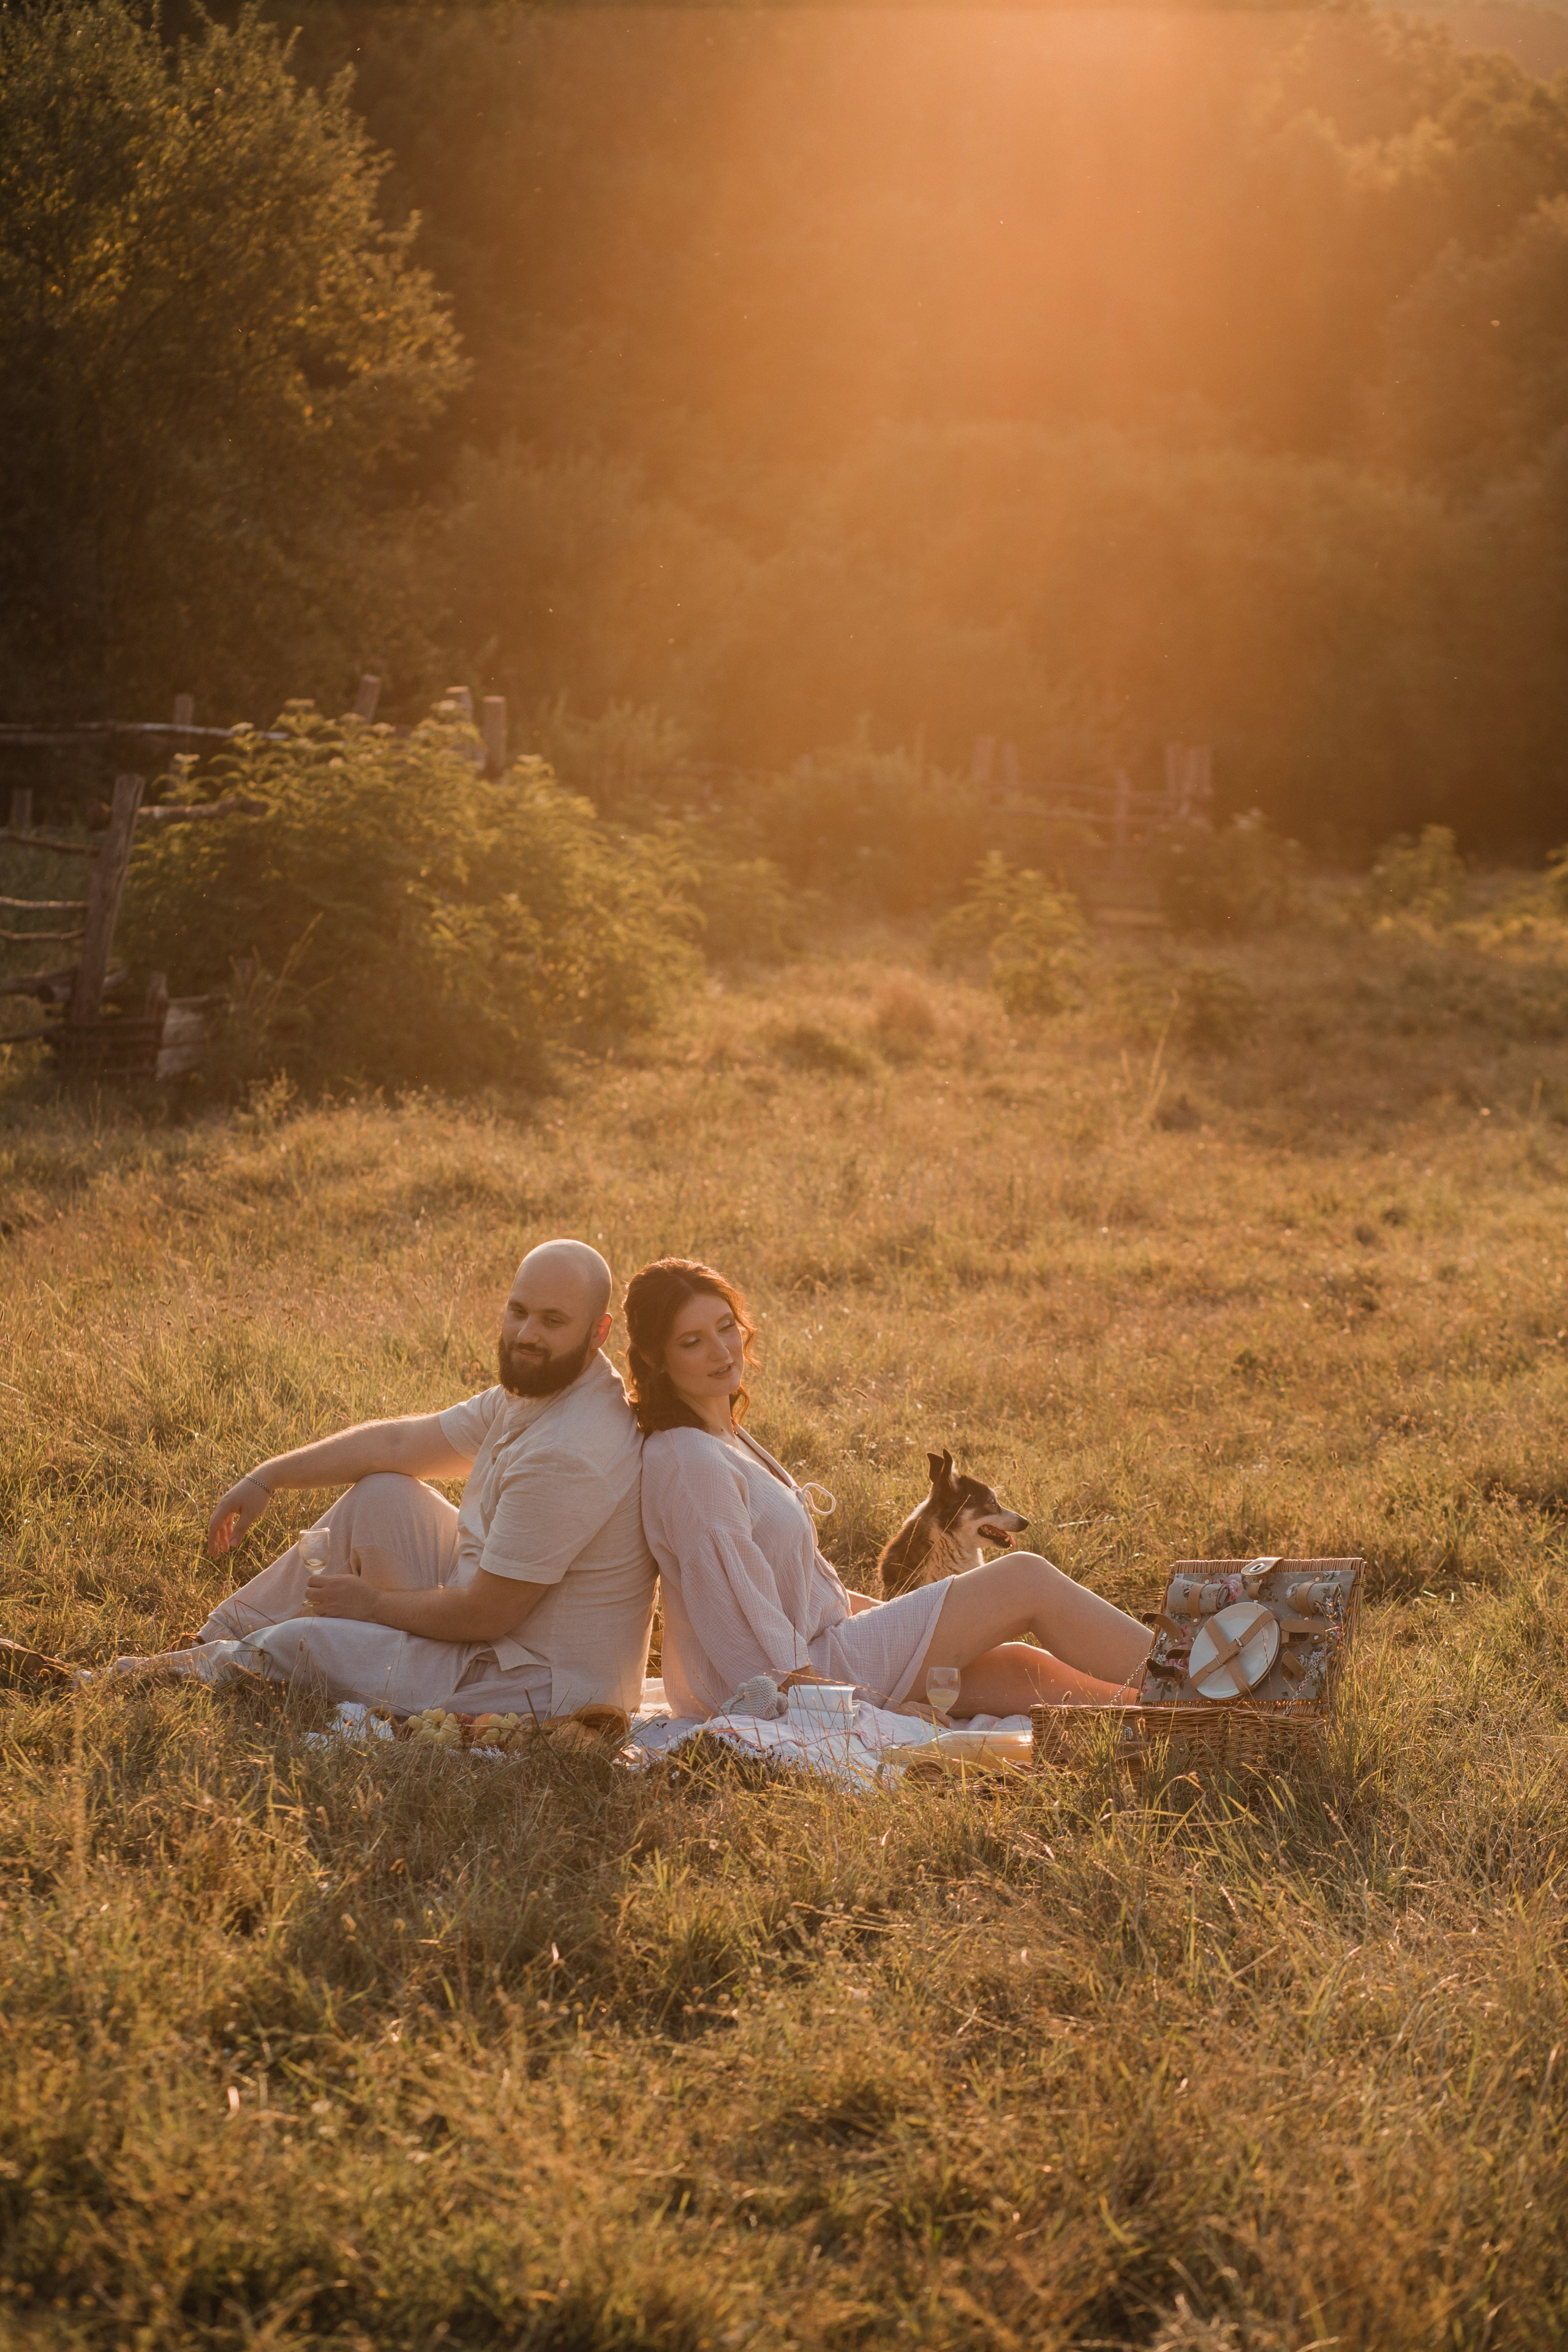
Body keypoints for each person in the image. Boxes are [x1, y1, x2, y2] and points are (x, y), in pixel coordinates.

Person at [629, 1257, 1150, 1719]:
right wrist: (866, 1707)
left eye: (727, 1327)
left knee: (1022, 1669)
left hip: (827, 1646)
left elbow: (798, 1591)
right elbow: (739, 1632)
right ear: (654, 1358)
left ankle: (1185, 1715)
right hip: (794, 1679)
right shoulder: (691, 1462)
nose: (723, 1351)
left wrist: (901, 1620)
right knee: (1025, 1579)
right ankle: (1207, 1681)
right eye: (692, 1342)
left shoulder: (722, 1435)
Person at [161, 1238, 656, 1717]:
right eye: (518, 1311)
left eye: (553, 1321)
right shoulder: (545, 1386)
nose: (526, 1334)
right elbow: (397, 1446)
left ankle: (169, 1675)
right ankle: (215, 1640)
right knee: (383, 1492)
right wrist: (267, 1477)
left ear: (599, 1332)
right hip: (494, 1618)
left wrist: (374, 1604)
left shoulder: (570, 1451)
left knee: (302, 1643)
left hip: (534, 1680)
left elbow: (486, 1617)